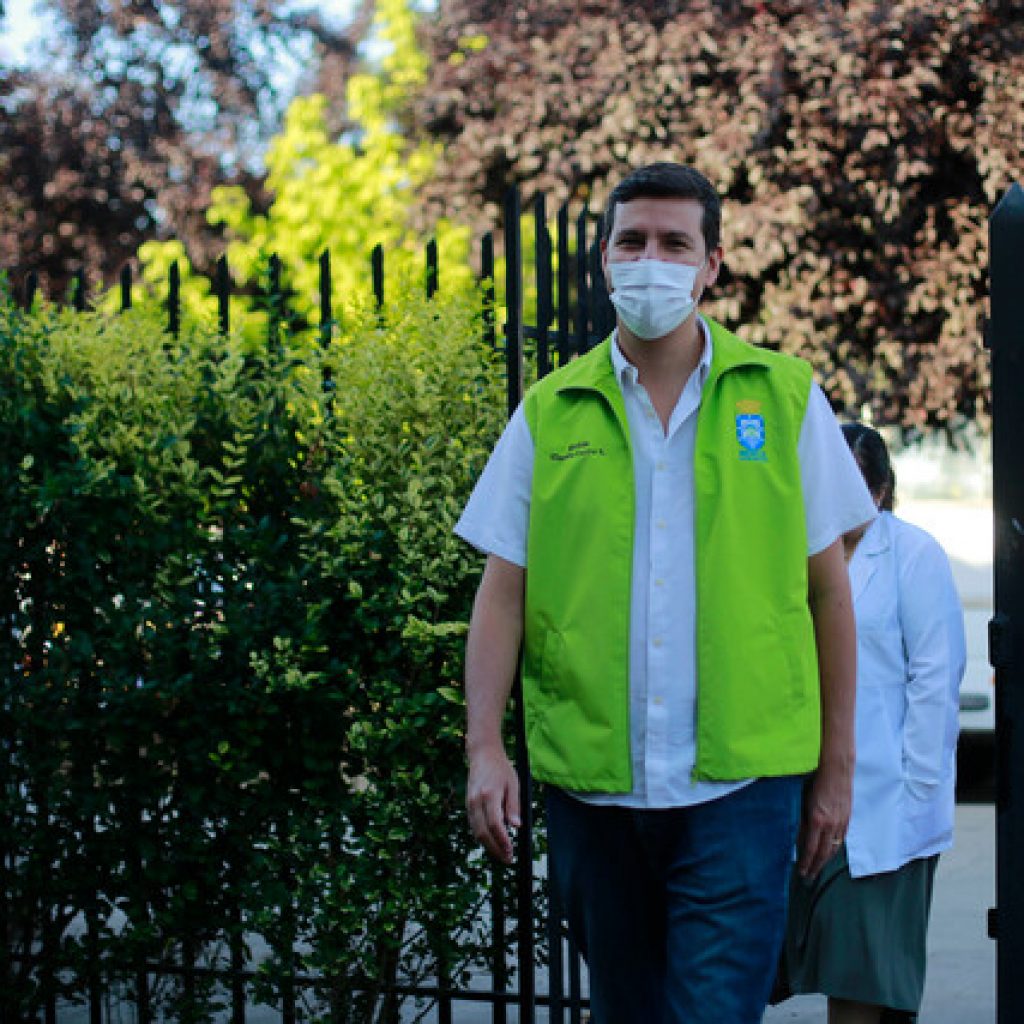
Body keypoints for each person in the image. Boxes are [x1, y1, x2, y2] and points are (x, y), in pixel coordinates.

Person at [455, 162, 877, 1024]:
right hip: (594, 794)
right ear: (605, 262)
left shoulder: (784, 398)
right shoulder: (551, 409)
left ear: (713, 263)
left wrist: (835, 770)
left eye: (675, 243)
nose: (653, 259)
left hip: (743, 792)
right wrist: (484, 748)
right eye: (634, 241)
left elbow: (831, 597)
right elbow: (503, 592)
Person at [779, 424, 967, 1024]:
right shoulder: (795, 557)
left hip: (889, 807)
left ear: (880, 492)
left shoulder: (914, 555)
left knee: (861, 979)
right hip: (804, 794)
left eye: (849, 486)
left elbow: (936, 682)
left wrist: (916, 791)